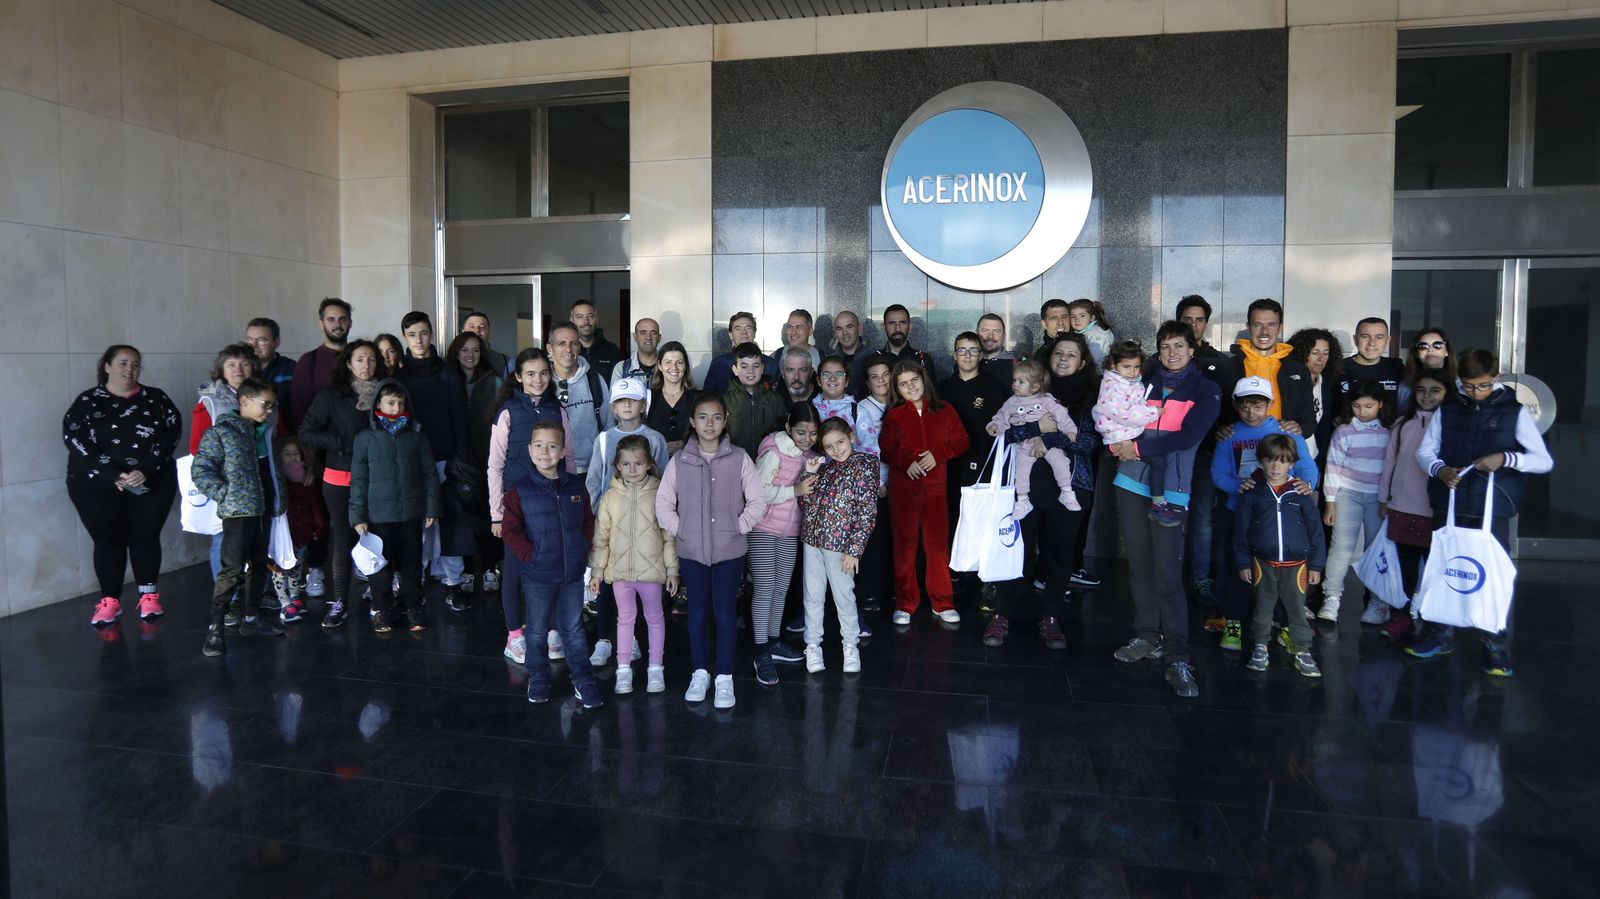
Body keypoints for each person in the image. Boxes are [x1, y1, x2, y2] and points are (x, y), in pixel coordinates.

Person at [1411, 348, 1551, 676]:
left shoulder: (1514, 411)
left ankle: (1494, 645)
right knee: (1443, 568)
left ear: (1496, 377)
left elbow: (1543, 461)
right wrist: (1439, 469)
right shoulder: (1448, 407)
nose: (1476, 392)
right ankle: (1439, 634)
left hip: (1493, 507)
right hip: (1450, 502)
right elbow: (1425, 451)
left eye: (1484, 385)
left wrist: (1506, 458)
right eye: (1469, 386)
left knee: (1492, 575)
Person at [1109, 322, 1221, 699]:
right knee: (1139, 567)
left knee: (1168, 575)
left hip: (1172, 489)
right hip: (1130, 481)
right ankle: (1147, 635)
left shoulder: (1206, 389)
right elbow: (1115, 415)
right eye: (1165, 346)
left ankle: (1177, 655)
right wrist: (1117, 445)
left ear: (1192, 349)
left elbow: (1189, 436)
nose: (1172, 353)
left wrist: (1139, 448)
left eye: (1179, 346)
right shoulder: (1143, 381)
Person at [656, 393, 768, 709]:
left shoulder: (739, 458)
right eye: (703, 417)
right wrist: (682, 530)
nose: (709, 423)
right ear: (692, 422)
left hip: (730, 552)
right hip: (692, 552)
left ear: (725, 421)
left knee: (726, 613)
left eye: (716, 417)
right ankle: (700, 672)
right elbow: (663, 504)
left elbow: (757, 501)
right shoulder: (680, 461)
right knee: (697, 613)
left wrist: (739, 526)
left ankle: (724, 677)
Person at [990, 333, 1101, 648]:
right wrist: (1038, 428)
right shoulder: (1025, 389)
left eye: (1071, 354)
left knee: (1059, 555)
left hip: (1070, 486)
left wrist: (1050, 439)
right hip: (1026, 486)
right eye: (1058, 353)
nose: (1063, 359)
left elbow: (1089, 442)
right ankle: (1000, 615)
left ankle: (1051, 618)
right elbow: (1006, 433)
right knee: (1014, 550)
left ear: (1082, 362)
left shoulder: (1091, 397)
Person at [66, 345, 182, 627]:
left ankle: (149, 596)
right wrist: (113, 475)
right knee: (108, 539)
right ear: (107, 366)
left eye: (135, 364)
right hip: (95, 485)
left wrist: (143, 470)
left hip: (151, 481)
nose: (129, 369)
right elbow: (75, 439)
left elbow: (171, 433)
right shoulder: (87, 401)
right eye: (123, 363)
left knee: (145, 536)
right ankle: (110, 601)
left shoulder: (156, 398)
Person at [1209, 377, 1319, 651]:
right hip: (1239, 513)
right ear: (1236, 406)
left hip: (1280, 517)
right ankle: (1233, 621)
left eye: (1258, 406)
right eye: (1245, 407)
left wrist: (1306, 485)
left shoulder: (1287, 432)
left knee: (1281, 571)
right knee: (1236, 567)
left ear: (1270, 404)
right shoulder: (1229, 436)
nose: (1251, 413)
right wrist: (1237, 487)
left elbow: (1307, 466)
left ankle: (1283, 624)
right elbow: (1218, 473)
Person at [503, 420, 602, 708]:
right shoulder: (520, 490)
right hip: (538, 575)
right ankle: (538, 676)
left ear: (562, 452)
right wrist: (531, 555)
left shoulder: (575, 486)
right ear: (529, 450)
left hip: (572, 574)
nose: (544, 452)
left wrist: (582, 547)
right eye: (538, 445)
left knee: (573, 629)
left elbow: (587, 520)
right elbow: (510, 530)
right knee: (536, 630)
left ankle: (583, 678)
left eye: (551, 446)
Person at [488, 349, 576, 665]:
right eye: (530, 373)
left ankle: (552, 630)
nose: (538, 380)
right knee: (514, 570)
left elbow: (569, 460)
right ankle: (515, 636)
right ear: (518, 377)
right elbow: (495, 465)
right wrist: (496, 514)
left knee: (550, 567)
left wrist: (571, 502)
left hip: (552, 503)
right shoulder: (508, 412)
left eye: (543, 373)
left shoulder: (558, 410)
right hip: (516, 506)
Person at [192, 376, 288, 656]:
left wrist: (279, 499)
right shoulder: (222, 432)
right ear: (244, 400)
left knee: (259, 565)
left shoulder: (265, 432)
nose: (269, 411)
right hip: (238, 511)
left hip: (264, 508)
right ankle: (215, 629)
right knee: (232, 570)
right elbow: (201, 470)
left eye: (272, 406)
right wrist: (225, 494)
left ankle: (251, 619)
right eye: (265, 405)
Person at [297, 340, 386, 628]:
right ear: (348, 363)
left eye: (371, 359)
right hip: (340, 476)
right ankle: (339, 602)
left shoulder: (386, 392)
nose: (366, 365)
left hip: (378, 477)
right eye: (359, 359)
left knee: (378, 539)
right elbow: (307, 432)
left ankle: (380, 602)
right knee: (343, 540)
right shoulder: (330, 396)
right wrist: (339, 442)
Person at [584, 377, 669, 668]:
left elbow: (664, 481)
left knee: (640, 586)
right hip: (612, 523)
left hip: (645, 524)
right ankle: (603, 640)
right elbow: (594, 481)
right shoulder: (604, 439)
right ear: (613, 407)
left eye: (632, 400)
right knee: (608, 585)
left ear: (643, 405)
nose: (627, 405)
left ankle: (632, 639)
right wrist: (594, 518)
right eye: (621, 401)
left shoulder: (655, 439)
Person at [881, 360, 970, 625]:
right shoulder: (894, 415)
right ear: (897, 389)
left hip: (935, 491)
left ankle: (942, 602)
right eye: (903, 384)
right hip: (903, 491)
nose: (910, 387)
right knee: (905, 546)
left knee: (937, 547)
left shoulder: (944, 410)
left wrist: (939, 454)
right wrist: (905, 462)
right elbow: (885, 448)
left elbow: (962, 441)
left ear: (924, 380)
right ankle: (905, 603)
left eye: (914, 380)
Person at [587, 435, 678, 695]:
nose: (632, 469)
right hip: (620, 574)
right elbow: (601, 538)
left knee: (655, 619)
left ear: (649, 464)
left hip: (651, 573)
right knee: (625, 620)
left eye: (638, 463)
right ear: (617, 465)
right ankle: (623, 670)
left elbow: (669, 536)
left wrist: (672, 570)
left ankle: (655, 668)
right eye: (626, 464)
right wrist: (597, 571)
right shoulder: (610, 497)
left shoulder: (660, 494)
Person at [350, 380, 440, 634]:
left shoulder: (416, 436)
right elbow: (358, 480)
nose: (396, 408)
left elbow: (429, 474)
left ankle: (413, 608)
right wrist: (358, 516)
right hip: (378, 515)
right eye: (390, 403)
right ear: (378, 404)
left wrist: (431, 508)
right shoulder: (365, 438)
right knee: (380, 567)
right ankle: (382, 609)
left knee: (412, 563)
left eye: (400, 403)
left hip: (411, 511)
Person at [1235, 434, 1326, 678]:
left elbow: (1316, 533)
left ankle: (1303, 650)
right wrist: (1243, 562)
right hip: (1262, 562)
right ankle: (1260, 647)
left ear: (1292, 463)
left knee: (1297, 609)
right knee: (1263, 608)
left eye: (1283, 461)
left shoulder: (1301, 494)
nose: (1276, 467)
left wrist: (1316, 566)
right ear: (1261, 461)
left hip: (1297, 565)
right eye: (1270, 460)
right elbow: (1240, 532)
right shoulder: (1251, 493)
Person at [395, 311, 469, 607]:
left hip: (445, 458)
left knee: (450, 520)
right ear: (405, 338)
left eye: (424, 333)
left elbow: (459, 419)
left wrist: (460, 458)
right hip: (412, 461)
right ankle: (416, 583)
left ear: (432, 334)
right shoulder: (398, 378)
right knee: (417, 524)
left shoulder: (448, 373)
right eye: (412, 335)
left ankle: (453, 581)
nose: (419, 340)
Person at [1375, 372, 1453, 644]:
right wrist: (1384, 499)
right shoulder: (1402, 424)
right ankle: (1402, 617)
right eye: (1421, 390)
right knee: (1403, 567)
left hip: (1434, 510)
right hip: (1403, 506)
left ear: (1447, 393)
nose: (1427, 395)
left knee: (1434, 569)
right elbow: (1389, 463)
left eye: (1435, 390)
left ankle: (1433, 623)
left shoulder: (1451, 425)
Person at [797, 418, 877, 674]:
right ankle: (812, 646)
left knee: (844, 597)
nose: (836, 450)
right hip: (812, 542)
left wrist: (854, 550)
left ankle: (850, 645)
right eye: (829, 446)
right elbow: (804, 505)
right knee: (812, 596)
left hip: (840, 546)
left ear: (851, 436)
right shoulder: (824, 469)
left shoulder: (864, 466)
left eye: (840, 442)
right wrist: (809, 474)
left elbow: (866, 512)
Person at [748, 403, 822, 684]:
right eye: (801, 432)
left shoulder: (811, 457)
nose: (807, 439)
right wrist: (795, 489)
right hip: (763, 528)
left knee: (780, 589)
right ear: (789, 428)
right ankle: (760, 651)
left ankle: (773, 640)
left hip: (790, 531)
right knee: (765, 588)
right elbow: (758, 491)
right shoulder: (774, 451)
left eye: (813, 433)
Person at [1318, 381, 1394, 625]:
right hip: (1347, 494)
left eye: (1368, 406)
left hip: (1377, 497)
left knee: (1376, 549)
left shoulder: (1390, 432)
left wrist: (1387, 499)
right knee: (1341, 547)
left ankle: (1378, 601)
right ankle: (1331, 598)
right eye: (1357, 406)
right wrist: (1330, 501)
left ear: (1380, 404)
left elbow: (1392, 468)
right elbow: (1333, 467)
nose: (1363, 411)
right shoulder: (1344, 432)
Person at [443, 329, 503, 612]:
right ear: (456, 352)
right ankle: (467, 571)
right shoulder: (447, 380)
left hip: (488, 458)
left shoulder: (493, 382)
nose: (470, 355)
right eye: (465, 350)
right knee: (463, 517)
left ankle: (490, 567)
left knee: (490, 514)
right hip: (458, 462)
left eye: (476, 350)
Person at [1176, 295, 1229, 608]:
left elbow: (1228, 405)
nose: (1193, 325)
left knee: (1202, 518)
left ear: (1206, 324)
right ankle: (1170, 576)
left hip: (1207, 452)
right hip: (1170, 453)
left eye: (1199, 320)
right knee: (1169, 514)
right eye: (1187, 319)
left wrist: (1224, 429)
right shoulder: (1162, 358)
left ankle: (1200, 578)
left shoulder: (1219, 362)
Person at [940, 333, 1008, 568]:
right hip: (949, 467)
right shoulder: (943, 388)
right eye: (962, 350)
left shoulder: (994, 388)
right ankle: (955, 569)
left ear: (980, 355)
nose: (967, 355)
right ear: (954, 354)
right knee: (952, 517)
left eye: (973, 350)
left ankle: (980, 574)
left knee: (980, 522)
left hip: (983, 468)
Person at [1093, 341, 1175, 521]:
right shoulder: (1112, 385)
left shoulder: (1129, 381)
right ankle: (1159, 502)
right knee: (1158, 460)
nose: (1132, 371)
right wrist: (1152, 413)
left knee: (1158, 457)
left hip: (1127, 433)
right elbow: (1122, 413)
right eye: (1126, 367)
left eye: (1136, 367)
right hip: (1119, 435)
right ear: (1113, 364)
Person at [988, 359, 1079, 517]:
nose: (1015, 384)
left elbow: (1061, 415)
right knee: (1020, 470)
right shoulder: (1011, 402)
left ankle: (1066, 491)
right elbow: (1001, 417)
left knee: (1060, 461)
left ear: (1035, 386)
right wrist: (995, 426)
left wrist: (1070, 430)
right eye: (1014, 380)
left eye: (1021, 381)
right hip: (1024, 445)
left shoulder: (1046, 400)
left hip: (1048, 442)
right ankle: (1023, 500)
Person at [1217, 299, 1316, 438]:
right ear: (1248, 327)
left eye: (1271, 325)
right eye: (1257, 325)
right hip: (1240, 446)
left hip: (1283, 448)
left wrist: (1301, 428)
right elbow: (1213, 413)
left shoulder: (1297, 370)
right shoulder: (1227, 368)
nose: (1264, 331)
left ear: (1280, 327)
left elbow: (1309, 419)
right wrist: (1219, 429)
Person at [269, 436, 327, 622]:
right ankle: (284, 603)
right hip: (282, 532)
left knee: (296, 566)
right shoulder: (277, 478)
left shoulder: (306, 477)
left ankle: (295, 598)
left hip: (302, 530)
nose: (293, 457)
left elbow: (315, 505)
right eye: (287, 454)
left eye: (296, 453)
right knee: (279, 567)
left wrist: (318, 526)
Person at [853, 358, 894, 617]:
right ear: (867, 383)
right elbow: (862, 448)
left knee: (895, 539)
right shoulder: (863, 408)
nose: (881, 380)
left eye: (885, 374)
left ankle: (891, 589)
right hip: (875, 485)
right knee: (875, 541)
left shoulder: (901, 402)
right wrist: (876, 481)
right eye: (874, 376)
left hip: (900, 480)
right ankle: (871, 592)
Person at [546, 321, 612, 475]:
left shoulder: (595, 380)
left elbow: (608, 426)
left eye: (574, 343)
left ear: (579, 347)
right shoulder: (542, 382)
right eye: (561, 344)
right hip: (551, 469)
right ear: (550, 348)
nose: (568, 349)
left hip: (590, 470)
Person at [290, 298, 351, 434]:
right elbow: (300, 408)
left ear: (350, 323)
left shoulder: (361, 357)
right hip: (322, 440)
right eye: (331, 319)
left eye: (342, 319)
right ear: (321, 324)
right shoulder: (308, 361)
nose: (337, 325)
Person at [1286, 328, 1344, 465]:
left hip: (1312, 457)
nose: (1321, 358)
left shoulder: (1325, 383)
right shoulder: (1290, 382)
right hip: (1288, 457)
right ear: (1301, 353)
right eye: (1315, 353)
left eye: (1326, 353)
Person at [724, 341, 788, 460]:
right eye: (744, 366)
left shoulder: (775, 399)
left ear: (762, 368)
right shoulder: (725, 402)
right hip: (736, 464)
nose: (751, 371)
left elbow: (783, 435)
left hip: (768, 465)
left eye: (756, 365)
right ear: (735, 369)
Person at [190, 343, 257, 455]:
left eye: (245, 364)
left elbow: (280, 438)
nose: (238, 369)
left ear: (253, 368)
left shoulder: (267, 398)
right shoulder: (209, 403)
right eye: (231, 365)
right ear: (222, 370)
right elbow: (197, 448)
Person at [853, 304, 936, 389]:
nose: (897, 329)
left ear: (910, 326)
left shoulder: (923, 359)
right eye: (892, 323)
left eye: (902, 323)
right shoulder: (873, 360)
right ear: (883, 327)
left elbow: (931, 394)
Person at [704, 311, 778, 395]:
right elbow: (707, 397)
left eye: (748, 328)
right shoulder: (718, 364)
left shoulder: (771, 365)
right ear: (731, 335)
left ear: (754, 333)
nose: (743, 332)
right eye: (738, 329)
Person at [1340, 317, 1406, 409]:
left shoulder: (1396, 367)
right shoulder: (1338, 368)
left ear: (1388, 341)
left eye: (1379, 337)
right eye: (1365, 336)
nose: (1372, 343)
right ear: (1355, 340)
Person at [645, 341, 698, 455]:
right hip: (655, 463)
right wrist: (660, 446)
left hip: (690, 461)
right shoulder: (648, 397)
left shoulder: (698, 398)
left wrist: (685, 444)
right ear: (660, 365)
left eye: (679, 362)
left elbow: (708, 433)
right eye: (668, 362)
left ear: (685, 366)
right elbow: (638, 434)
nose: (674, 367)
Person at [245, 318, 297, 427]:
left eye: (261, 340)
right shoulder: (239, 370)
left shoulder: (292, 368)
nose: (254, 345)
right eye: (249, 339)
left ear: (276, 342)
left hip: (284, 432)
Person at [571, 299, 622, 379]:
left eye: (590, 316)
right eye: (580, 317)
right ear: (572, 320)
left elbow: (618, 382)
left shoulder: (612, 350)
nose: (586, 321)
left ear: (597, 319)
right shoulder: (567, 350)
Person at [612, 317, 663, 385]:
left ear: (659, 338)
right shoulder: (621, 368)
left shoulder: (669, 367)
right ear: (635, 337)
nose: (648, 337)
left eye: (653, 333)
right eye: (643, 332)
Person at [460, 311, 511, 378]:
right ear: (463, 332)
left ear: (489, 333)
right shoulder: (453, 360)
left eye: (482, 327)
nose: (477, 330)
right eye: (472, 326)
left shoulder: (506, 363)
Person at [1068, 299, 1115, 367]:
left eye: (1082, 315)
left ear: (1092, 318)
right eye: (1073, 316)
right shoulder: (1085, 332)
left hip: (1097, 370)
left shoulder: (1095, 335)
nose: (1077, 319)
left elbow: (1093, 360)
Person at [812, 355, 857, 424]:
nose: (832, 378)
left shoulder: (857, 412)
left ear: (846, 382)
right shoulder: (810, 408)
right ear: (818, 380)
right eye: (826, 374)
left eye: (839, 374)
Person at [976, 313, 1016, 387]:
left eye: (996, 331)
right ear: (977, 334)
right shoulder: (966, 362)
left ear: (1004, 336)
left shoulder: (1016, 366)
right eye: (985, 330)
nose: (990, 336)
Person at [829, 310, 865, 389]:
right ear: (835, 333)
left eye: (849, 327)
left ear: (860, 328)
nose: (844, 332)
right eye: (839, 329)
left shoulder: (872, 359)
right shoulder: (830, 361)